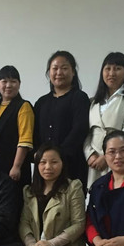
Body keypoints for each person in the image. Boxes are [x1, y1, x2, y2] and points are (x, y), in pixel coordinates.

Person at [12, 144, 85, 246]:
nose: (48, 167)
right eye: (43, 162)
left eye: (54, 162)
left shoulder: (73, 187)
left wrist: (51, 243)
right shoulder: (29, 191)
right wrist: (32, 245)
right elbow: (24, 223)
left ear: (62, 164)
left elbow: (79, 224)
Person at [84, 52, 124, 188]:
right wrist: (89, 154)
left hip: (120, 157)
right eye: (108, 69)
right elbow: (87, 133)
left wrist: (107, 156)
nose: (112, 73)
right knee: (97, 195)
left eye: (117, 69)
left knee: (123, 194)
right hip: (95, 162)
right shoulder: (93, 102)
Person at [33, 50, 89, 190]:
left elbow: (80, 129)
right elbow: (35, 132)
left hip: (71, 163)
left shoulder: (80, 98)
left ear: (73, 72)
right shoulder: (41, 102)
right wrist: (40, 155)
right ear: (49, 72)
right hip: (44, 168)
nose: (59, 72)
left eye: (64, 68)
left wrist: (59, 156)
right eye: (55, 68)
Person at [0, 65, 34, 191]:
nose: (8, 85)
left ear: (19, 84)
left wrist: (16, 166)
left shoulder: (24, 106)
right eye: (4, 81)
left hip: (14, 166)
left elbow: (25, 140)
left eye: (13, 81)